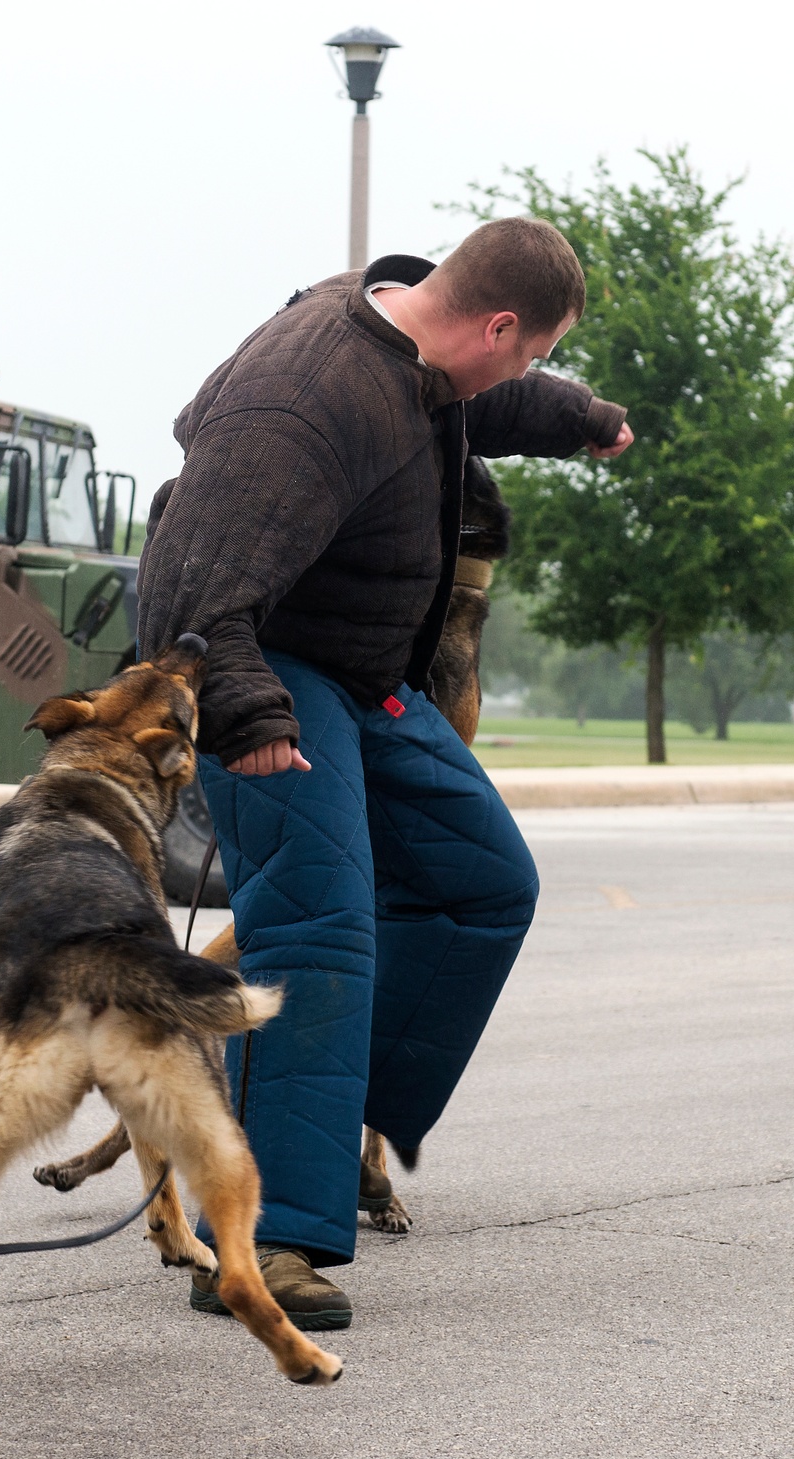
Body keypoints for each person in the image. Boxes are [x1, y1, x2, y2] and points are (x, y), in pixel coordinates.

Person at [138, 218, 633, 1330]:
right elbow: (186, 580)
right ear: (495, 323)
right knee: (319, 926)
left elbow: (492, 398)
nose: (518, 374)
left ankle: (306, 1102)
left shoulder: (426, 353)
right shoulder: (302, 395)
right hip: (264, 668)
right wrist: (248, 710)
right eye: (529, 352)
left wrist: (581, 416)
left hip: (367, 675)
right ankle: (262, 1241)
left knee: (482, 880)